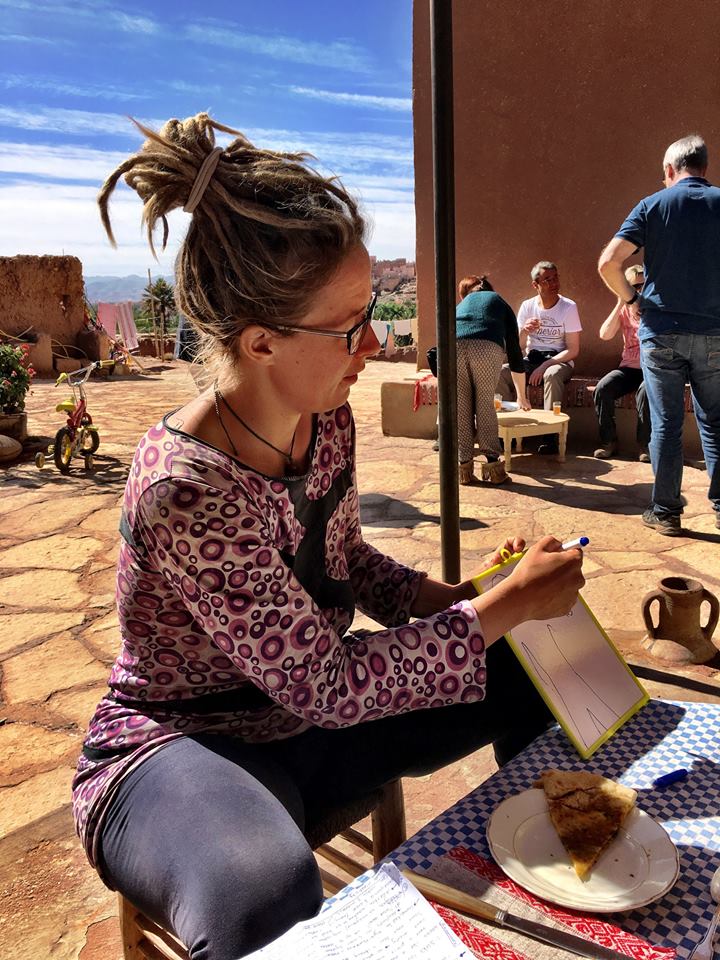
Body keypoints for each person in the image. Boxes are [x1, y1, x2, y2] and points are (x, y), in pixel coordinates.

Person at [73, 113, 585, 960]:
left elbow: (343, 561)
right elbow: (328, 681)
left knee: (523, 655)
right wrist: (497, 610)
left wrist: (456, 599)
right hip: (181, 747)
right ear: (261, 342)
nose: (374, 344)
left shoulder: (326, 417)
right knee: (261, 892)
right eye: (350, 325)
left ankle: (571, 872)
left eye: (370, 313)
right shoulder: (184, 488)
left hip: (303, 725)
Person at [598, 134, 720, 536]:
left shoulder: (652, 205)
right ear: (704, 167)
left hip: (661, 332)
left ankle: (666, 511)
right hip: (715, 333)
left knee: (665, 424)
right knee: (715, 423)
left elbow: (608, 263)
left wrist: (631, 298)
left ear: (669, 170)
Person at [497, 261, 582, 454]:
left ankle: (550, 437)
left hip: (559, 360)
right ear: (535, 285)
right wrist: (525, 331)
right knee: (501, 373)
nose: (554, 283)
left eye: (555, 278)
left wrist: (545, 366)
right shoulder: (527, 306)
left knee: (551, 375)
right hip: (532, 358)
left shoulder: (568, 307)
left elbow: (573, 349)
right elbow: (517, 346)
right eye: (547, 280)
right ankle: (505, 432)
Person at [454, 274, 530, 485]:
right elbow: (514, 352)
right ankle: (494, 469)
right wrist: (522, 396)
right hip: (486, 348)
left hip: (453, 347)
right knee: (484, 404)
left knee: (461, 407)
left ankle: (464, 469)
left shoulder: (463, 305)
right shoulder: (498, 301)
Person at [593, 265, 651, 461]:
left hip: (651, 368)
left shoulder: (654, 308)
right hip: (629, 368)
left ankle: (645, 446)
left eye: (643, 285)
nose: (639, 290)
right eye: (634, 287)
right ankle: (609, 442)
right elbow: (604, 334)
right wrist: (621, 301)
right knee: (603, 388)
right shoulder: (624, 310)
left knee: (645, 392)